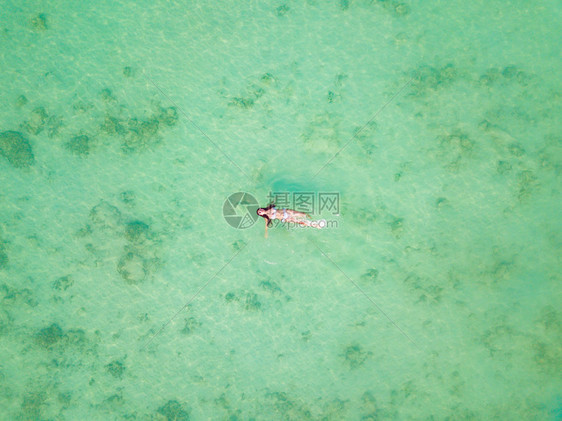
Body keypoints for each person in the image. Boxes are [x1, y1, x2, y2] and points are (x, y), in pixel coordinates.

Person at [256, 203, 326, 237]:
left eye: (260, 209)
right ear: (261, 214)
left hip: (286, 211)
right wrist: (266, 234)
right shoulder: (266, 217)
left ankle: (314, 218)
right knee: (300, 222)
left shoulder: (268, 207)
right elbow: (266, 226)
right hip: (285, 218)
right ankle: (316, 226)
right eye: (259, 212)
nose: (260, 210)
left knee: (303, 214)